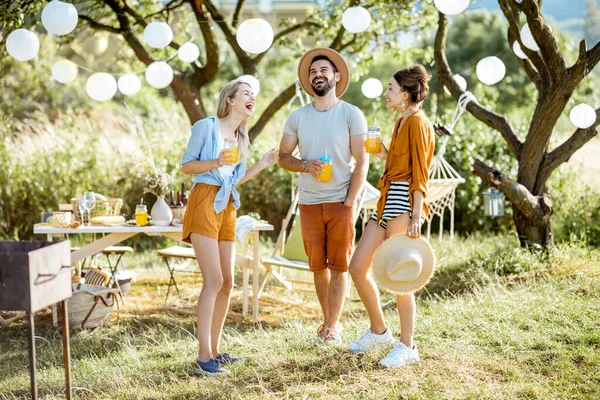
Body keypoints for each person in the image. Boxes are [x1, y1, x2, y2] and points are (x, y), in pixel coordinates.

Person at [181, 79, 278, 375]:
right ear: (231, 100)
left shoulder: (240, 137)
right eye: (246, 93)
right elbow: (187, 166)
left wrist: (261, 164)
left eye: (253, 95)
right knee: (213, 280)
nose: (252, 98)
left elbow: (232, 180)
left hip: (228, 205)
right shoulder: (206, 126)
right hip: (204, 200)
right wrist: (215, 161)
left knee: (228, 281)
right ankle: (202, 357)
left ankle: (215, 350)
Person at [278, 48, 368, 345]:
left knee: (339, 266)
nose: (318, 75)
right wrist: (304, 164)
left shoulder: (351, 114)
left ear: (336, 76)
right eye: (313, 72)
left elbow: (362, 161)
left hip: (341, 201)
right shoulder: (298, 116)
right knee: (318, 266)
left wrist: (351, 202)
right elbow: (283, 157)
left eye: (324, 71)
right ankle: (328, 322)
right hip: (309, 202)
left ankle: (332, 326)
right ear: (309, 80)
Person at [347, 65, 435, 367]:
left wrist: (416, 214)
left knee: (402, 279)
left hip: (403, 205)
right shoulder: (401, 121)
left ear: (406, 93)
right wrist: (383, 152)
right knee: (357, 266)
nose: (386, 93)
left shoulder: (418, 123)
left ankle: (408, 346)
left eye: (390, 89)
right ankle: (379, 331)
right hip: (386, 201)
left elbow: (420, 173)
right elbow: (398, 162)